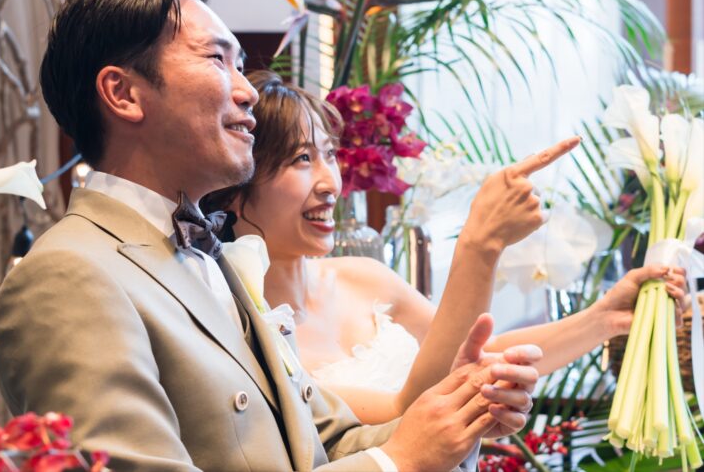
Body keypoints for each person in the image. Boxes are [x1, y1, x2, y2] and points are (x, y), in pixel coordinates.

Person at [0, 0, 542, 471]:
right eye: (216, 59)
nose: (249, 90)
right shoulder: (66, 276)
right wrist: (399, 461)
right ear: (124, 94)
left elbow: (326, 440)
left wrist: (458, 418)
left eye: (239, 64)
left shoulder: (216, 260)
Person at [202, 70, 688, 425]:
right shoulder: (243, 331)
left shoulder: (364, 277)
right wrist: (480, 243)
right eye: (301, 159)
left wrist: (604, 317)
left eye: (329, 154)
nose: (330, 183)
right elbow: (413, 407)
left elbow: (474, 357)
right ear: (235, 189)